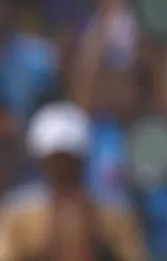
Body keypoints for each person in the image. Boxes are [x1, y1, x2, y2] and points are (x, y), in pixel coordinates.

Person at [0, 101, 146, 261]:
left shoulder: (112, 214)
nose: (63, 168)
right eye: (56, 160)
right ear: (42, 161)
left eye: (69, 160)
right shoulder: (20, 214)